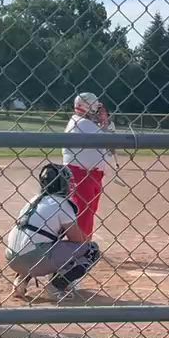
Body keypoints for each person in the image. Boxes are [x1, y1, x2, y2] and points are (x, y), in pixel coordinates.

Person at [6, 163, 102, 300]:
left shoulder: (33, 201)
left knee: (37, 239)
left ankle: (20, 281)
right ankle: (56, 287)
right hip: (35, 257)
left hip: (12, 258)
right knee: (91, 250)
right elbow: (78, 240)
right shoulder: (62, 204)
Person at [63, 92, 113, 240]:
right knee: (84, 211)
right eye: (95, 109)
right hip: (82, 174)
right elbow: (107, 140)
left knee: (88, 211)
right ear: (87, 107)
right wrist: (106, 125)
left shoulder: (86, 123)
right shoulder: (82, 123)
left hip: (90, 174)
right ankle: (80, 247)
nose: (98, 113)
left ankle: (83, 243)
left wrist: (104, 125)